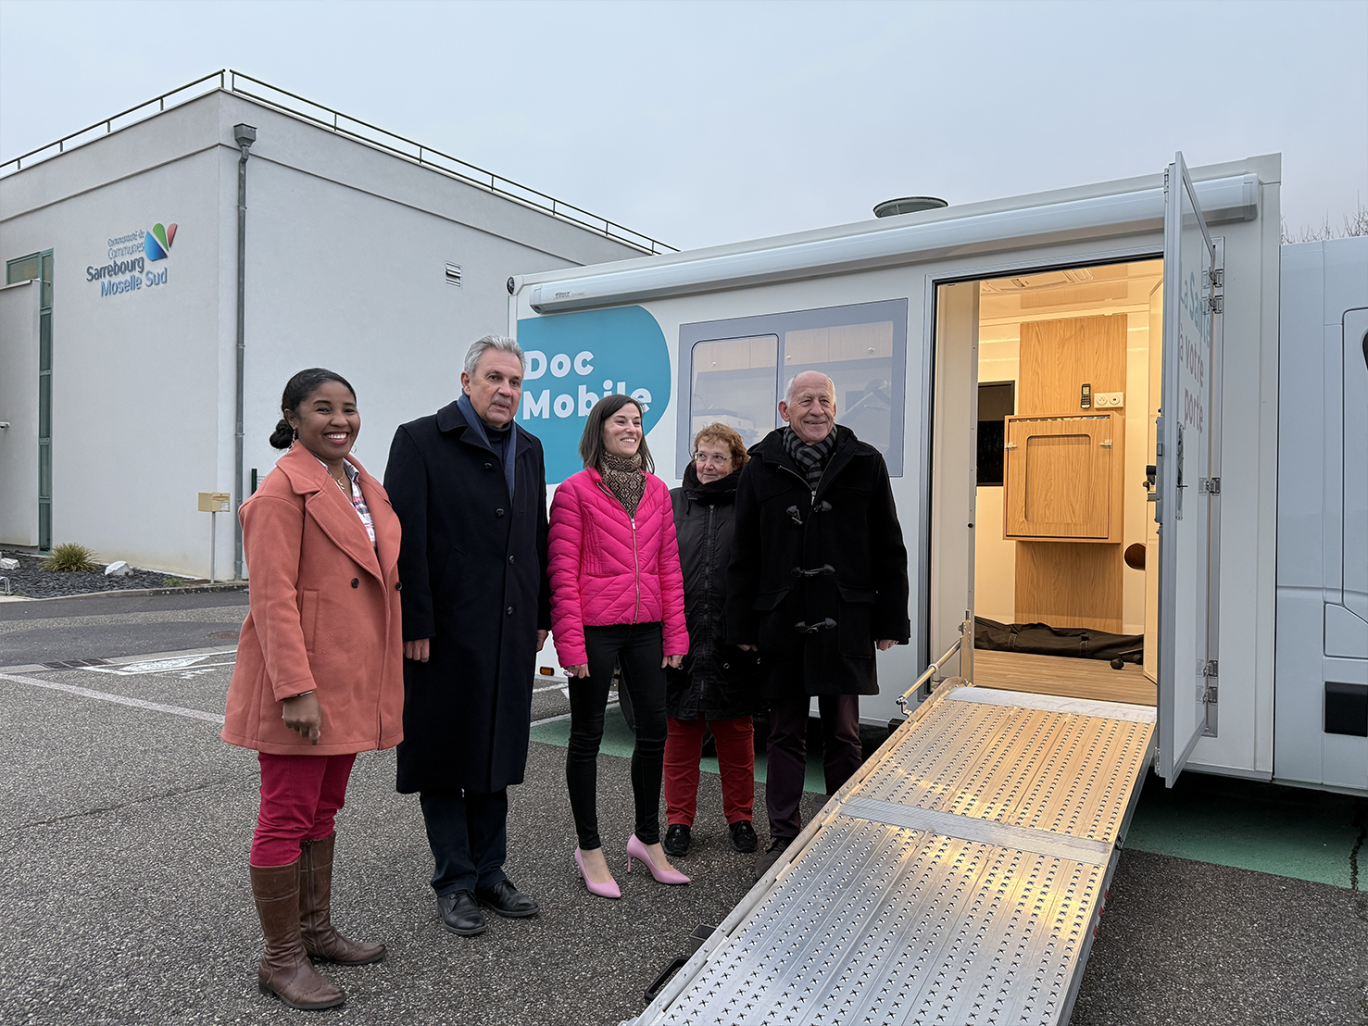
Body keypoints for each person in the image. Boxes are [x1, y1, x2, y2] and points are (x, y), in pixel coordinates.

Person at [222, 368, 404, 1011]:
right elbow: (272, 600)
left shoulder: (357, 481)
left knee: (323, 812)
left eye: (349, 409)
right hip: (304, 684)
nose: (340, 420)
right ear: (293, 418)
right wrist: (294, 687)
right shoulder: (281, 492)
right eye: (323, 409)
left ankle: (315, 931)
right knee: (285, 816)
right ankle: (280, 958)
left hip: (352, 676)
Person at [384, 336, 550, 937]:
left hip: (509, 626)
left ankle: (490, 873)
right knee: (445, 756)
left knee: (495, 754)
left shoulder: (528, 448)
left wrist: (541, 614)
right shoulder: (420, 440)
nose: (506, 390)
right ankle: (454, 882)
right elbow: (404, 541)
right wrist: (415, 623)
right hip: (445, 631)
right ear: (466, 380)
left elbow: (536, 535)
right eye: (495, 379)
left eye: (515, 381)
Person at [725, 371, 910, 881]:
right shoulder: (759, 467)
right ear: (785, 411)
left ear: (836, 407)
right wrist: (741, 623)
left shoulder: (866, 462)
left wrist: (891, 618)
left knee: (844, 733)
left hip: (845, 618)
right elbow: (744, 553)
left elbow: (889, 548)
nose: (816, 409)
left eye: (824, 400)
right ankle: (785, 835)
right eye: (804, 401)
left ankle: (842, 830)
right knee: (784, 732)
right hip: (781, 618)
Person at [548, 394, 690, 898]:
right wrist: (572, 647)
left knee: (654, 732)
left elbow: (669, 568)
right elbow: (561, 575)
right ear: (599, 429)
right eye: (620, 421)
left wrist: (676, 633)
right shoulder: (574, 492)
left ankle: (646, 840)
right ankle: (589, 848)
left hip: (647, 627)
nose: (630, 428)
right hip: (593, 629)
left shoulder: (656, 491)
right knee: (586, 737)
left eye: (636, 422)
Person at [663, 423, 765, 857]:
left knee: (736, 733)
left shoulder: (750, 504)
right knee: (681, 732)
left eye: (718, 457)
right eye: (702, 455)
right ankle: (677, 822)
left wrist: (754, 631)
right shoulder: (671, 502)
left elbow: (764, 566)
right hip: (681, 635)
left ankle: (740, 818)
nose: (707, 465)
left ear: (736, 461)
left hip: (732, 636)